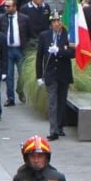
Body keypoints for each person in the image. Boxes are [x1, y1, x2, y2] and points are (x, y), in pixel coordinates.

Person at [36, 13, 74, 141]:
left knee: (62, 101)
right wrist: (39, 76)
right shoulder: (44, 36)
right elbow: (39, 57)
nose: (56, 24)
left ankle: (59, 126)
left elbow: (72, 53)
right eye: (53, 21)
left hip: (63, 73)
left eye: (58, 21)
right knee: (52, 103)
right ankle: (53, 131)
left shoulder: (67, 34)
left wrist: (59, 51)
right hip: (51, 73)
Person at [0, 0, 28, 106]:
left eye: (8, 6)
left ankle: (20, 90)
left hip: (20, 49)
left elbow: (29, 34)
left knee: (23, 74)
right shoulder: (1, 18)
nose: (6, 8)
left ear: (15, 7)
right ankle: (10, 98)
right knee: (9, 75)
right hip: (7, 50)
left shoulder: (24, 19)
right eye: (5, 6)